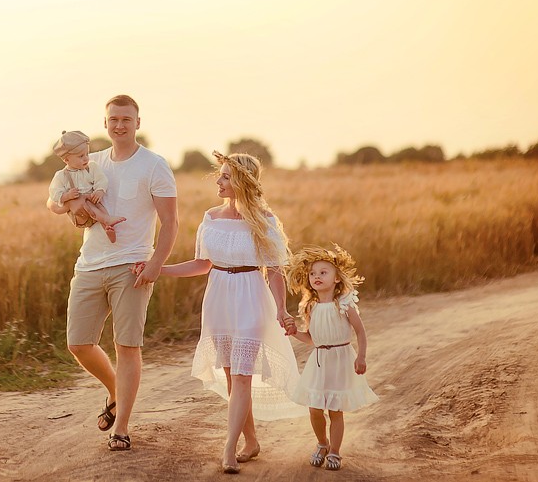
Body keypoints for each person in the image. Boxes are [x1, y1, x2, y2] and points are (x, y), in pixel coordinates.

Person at [134, 151, 304, 474]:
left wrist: (282, 309)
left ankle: (228, 448)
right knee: (231, 375)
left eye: (226, 176)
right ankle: (250, 441)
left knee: (241, 375)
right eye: (220, 174)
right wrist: (160, 269)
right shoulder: (210, 217)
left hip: (251, 296)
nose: (219, 180)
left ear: (241, 181)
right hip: (219, 297)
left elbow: (275, 271)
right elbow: (202, 264)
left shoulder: (264, 222)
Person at [46, 95, 178, 452]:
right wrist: (65, 203)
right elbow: (53, 200)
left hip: (131, 265)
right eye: (113, 119)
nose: (119, 125)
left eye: (126, 119)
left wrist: (155, 265)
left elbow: (170, 222)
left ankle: (120, 428)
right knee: (78, 343)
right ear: (105, 123)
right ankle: (115, 393)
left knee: (127, 346)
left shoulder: (154, 165)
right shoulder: (90, 161)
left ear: (138, 122)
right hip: (89, 263)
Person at [285, 244, 378, 472]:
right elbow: (312, 339)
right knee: (315, 408)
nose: (317, 277)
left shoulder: (344, 304)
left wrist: (362, 357)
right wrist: (294, 332)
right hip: (319, 360)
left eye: (323, 272)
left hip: (341, 359)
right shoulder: (310, 307)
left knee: (336, 409)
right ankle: (322, 443)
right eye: (313, 273)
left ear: (337, 278)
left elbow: (360, 332)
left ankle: (335, 451)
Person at [48, 130, 126, 243]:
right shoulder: (62, 175)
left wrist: (100, 190)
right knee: (87, 204)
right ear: (66, 160)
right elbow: (54, 193)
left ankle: (108, 230)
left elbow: (101, 179)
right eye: (81, 156)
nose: (86, 158)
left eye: (87, 154)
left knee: (99, 207)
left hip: (93, 201)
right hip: (79, 213)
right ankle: (107, 220)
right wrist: (67, 196)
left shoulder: (91, 167)